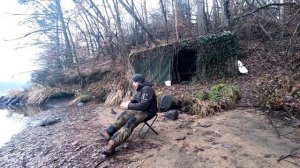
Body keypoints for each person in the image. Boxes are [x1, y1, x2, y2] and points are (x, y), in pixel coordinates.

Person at [101, 74, 158, 156]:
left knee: (131, 121)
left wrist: (128, 106)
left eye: (134, 82)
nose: (133, 84)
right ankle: (109, 132)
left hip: (148, 112)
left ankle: (112, 145)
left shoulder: (148, 89)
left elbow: (143, 105)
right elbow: (136, 100)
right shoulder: (140, 88)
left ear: (139, 82)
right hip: (140, 110)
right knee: (123, 115)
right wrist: (129, 102)